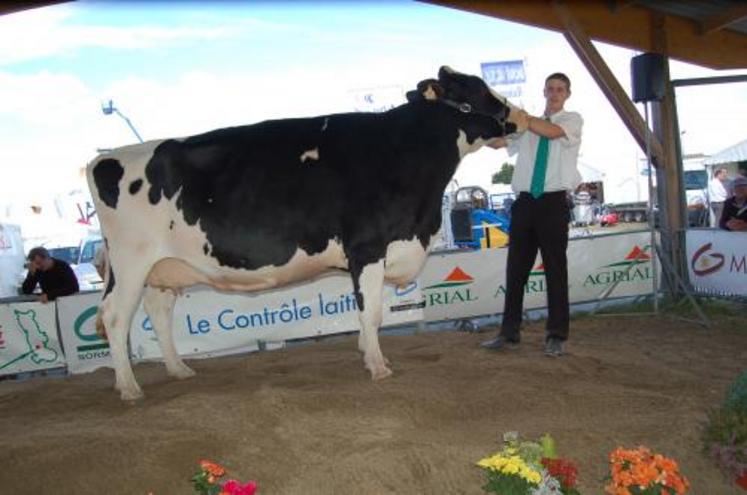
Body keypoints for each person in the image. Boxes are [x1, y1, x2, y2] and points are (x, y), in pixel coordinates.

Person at [481, 72, 583, 357]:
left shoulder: (571, 120)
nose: (554, 93)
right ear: (543, 91)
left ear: (567, 94)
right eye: (550, 89)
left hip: (553, 204)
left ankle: (557, 335)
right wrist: (481, 124)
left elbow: (550, 132)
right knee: (515, 271)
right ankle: (509, 332)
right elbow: (500, 143)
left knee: (555, 270)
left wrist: (520, 117)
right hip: (525, 203)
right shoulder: (526, 126)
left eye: (560, 89)